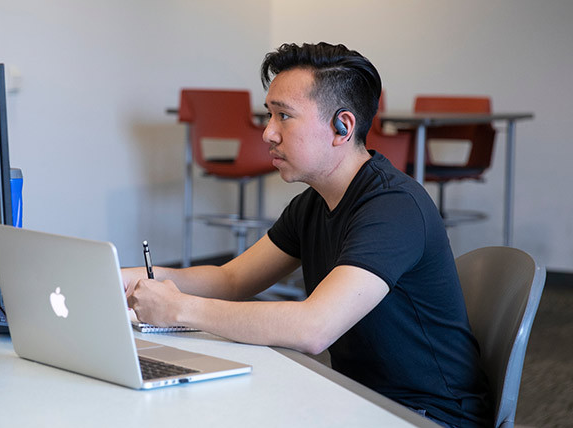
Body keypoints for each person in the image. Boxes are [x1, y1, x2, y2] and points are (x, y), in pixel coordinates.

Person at [124, 42, 491, 427]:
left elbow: (312, 328)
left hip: (427, 416)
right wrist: (130, 279)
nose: (267, 133)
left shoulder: (393, 207)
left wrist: (180, 309)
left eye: (284, 116)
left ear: (342, 127)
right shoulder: (313, 202)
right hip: (356, 400)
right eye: (269, 115)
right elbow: (231, 280)